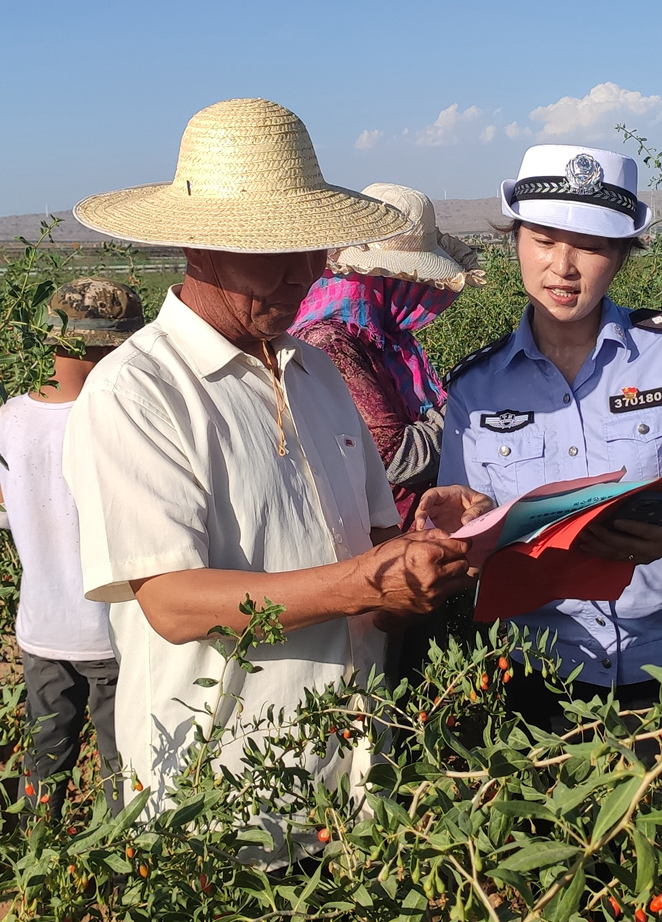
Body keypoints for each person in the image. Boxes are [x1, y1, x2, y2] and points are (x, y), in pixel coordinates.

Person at [62, 99, 491, 861]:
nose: (307, 273)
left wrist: (427, 544)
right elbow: (172, 602)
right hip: (222, 813)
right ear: (198, 248)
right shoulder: (139, 391)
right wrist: (368, 578)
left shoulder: (319, 374)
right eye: (274, 251)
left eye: (311, 246)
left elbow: (374, 554)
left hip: (352, 794)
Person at [437, 144, 662, 726]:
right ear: (516, 242)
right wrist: (463, 528)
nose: (563, 265)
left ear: (622, 256)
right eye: (544, 239)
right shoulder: (475, 391)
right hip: (545, 679)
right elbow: (471, 538)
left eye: (591, 245)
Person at [0, 277, 142, 822]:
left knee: (46, 749)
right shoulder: (116, 420)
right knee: (123, 757)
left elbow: (2, 512)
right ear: (113, 349)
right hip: (111, 630)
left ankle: (37, 855)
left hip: (42, 626)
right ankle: (127, 865)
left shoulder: (9, 418)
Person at [291, 184, 485, 527]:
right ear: (386, 282)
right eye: (414, 281)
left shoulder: (378, 339)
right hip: (384, 546)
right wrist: (460, 409)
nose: (422, 291)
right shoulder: (335, 345)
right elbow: (399, 458)